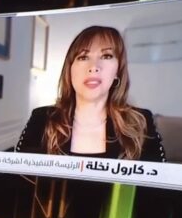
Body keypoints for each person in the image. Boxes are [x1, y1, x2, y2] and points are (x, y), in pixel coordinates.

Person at [15, 25, 166, 162]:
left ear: (118, 71)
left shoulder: (141, 123)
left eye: (106, 56)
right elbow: (20, 179)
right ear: (70, 69)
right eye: (83, 57)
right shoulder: (42, 119)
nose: (94, 67)